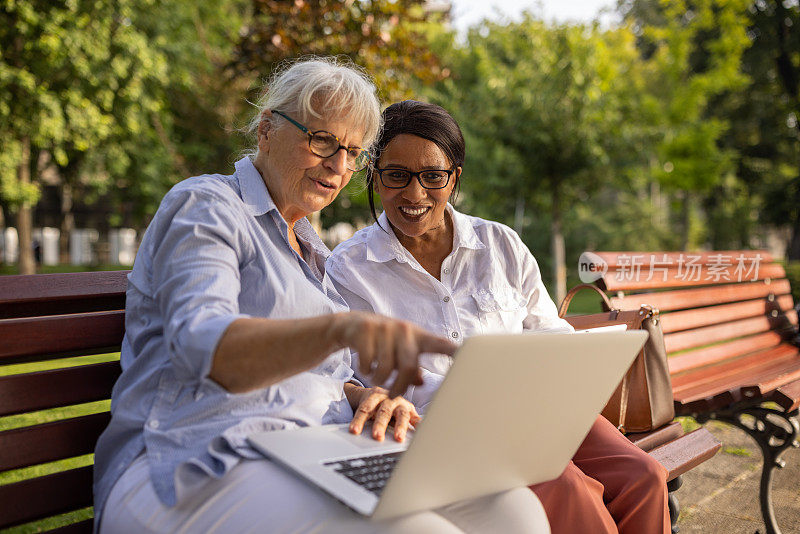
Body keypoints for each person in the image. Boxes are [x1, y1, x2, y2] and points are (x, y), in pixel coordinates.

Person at [93, 59, 550, 533]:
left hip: (311, 450)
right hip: (195, 460)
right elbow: (202, 345)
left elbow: (316, 379)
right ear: (266, 129)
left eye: (352, 151)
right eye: (323, 141)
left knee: (512, 510)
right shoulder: (207, 207)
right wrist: (338, 329)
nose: (338, 166)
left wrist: (364, 396)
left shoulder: (309, 248)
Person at [327, 100, 671, 534]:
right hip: (447, 436)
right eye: (396, 175)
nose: (414, 194)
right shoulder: (349, 269)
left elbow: (546, 329)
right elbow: (342, 374)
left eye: (433, 176)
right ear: (374, 176)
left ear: (454, 178)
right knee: (570, 489)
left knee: (645, 477)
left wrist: (580, 362)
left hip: (538, 409)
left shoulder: (500, 244)